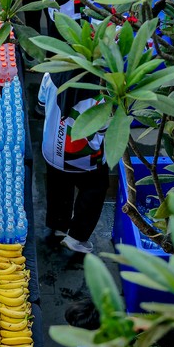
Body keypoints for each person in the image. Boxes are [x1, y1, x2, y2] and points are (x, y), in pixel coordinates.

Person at [38, 70, 108, 253]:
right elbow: (104, 129)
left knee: (58, 186)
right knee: (94, 189)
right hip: (83, 156)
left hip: (52, 149)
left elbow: (41, 104)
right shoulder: (102, 93)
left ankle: (58, 227)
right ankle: (76, 237)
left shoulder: (52, 73)